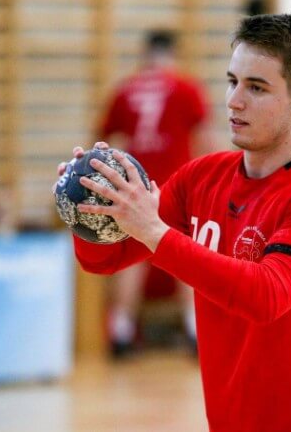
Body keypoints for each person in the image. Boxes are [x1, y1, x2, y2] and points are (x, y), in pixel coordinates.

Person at [64, 14, 291, 431]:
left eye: (256, 88)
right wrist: (88, 209)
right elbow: (104, 260)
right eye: (232, 81)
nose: (234, 101)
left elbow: (267, 296)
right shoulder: (200, 178)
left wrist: (154, 233)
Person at [97, 29, 211, 356]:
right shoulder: (185, 87)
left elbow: (105, 142)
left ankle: (120, 332)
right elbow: (205, 139)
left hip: (135, 187)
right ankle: (194, 330)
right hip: (176, 185)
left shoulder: (126, 89)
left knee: (134, 259)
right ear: (172, 54)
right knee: (185, 256)